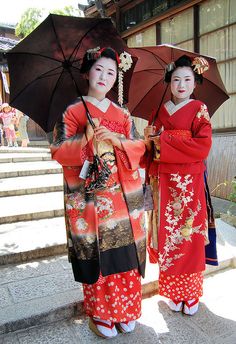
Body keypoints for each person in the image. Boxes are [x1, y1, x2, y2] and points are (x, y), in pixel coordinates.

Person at [50, 47, 146, 338]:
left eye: (111, 72)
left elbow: (139, 148)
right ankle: (102, 315)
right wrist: (86, 139)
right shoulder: (72, 110)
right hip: (90, 199)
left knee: (125, 255)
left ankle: (126, 311)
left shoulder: (122, 113)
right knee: (97, 256)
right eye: (99, 70)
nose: (104, 76)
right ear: (86, 72)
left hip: (123, 198)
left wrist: (118, 140)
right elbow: (57, 150)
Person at [143, 55, 216, 316]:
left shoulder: (199, 109)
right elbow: (150, 149)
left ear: (195, 82)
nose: (181, 85)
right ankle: (174, 292)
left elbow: (203, 145)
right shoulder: (158, 112)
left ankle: (192, 293)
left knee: (190, 235)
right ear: (169, 83)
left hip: (190, 182)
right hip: (163, 182)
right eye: (176, 80)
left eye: (187, 79)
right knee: (169, 236)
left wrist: (165, 140)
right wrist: (149, 141)